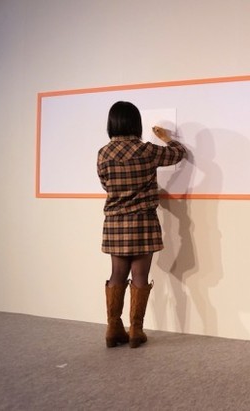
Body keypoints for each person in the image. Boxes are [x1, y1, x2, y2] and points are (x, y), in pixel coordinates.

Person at [97, 101, 186, 348]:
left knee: (116, 274)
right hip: (143, 221)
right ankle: (136, 330)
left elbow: (106, 185)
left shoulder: (103, 153)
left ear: (112, 124)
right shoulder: (147, 150)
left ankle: (113, 328)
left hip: (115, 222)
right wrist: (166, 138)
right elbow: (178, 153)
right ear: (136, 123)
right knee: (140, 275)